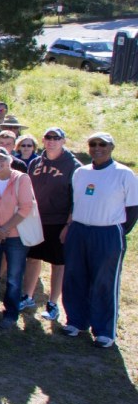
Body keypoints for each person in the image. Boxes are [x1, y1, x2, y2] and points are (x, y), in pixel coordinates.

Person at [60, 132, 138, 348]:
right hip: (79, 230)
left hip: (106, 233)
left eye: (102, 144)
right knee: (75, 276)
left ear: (111, 147)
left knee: (104, 281)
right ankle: (76, 321)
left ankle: (104, 331)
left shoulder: (124, 174)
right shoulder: (80, 172)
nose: (97, 148)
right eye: (93, 144)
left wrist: (118, 231)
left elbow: (133, 209)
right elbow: (75, 203)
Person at [20, 126, 79, 320]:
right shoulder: (35, 162)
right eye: (48, 137)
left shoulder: (73, 165)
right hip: (36, 219)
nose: (52, 141)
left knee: (58, 263)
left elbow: (76, 200)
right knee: (32, 258)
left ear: (63, 141)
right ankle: (27, 296)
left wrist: (68, 225)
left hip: (59, 221)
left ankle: (53, 304)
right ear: (43, 140)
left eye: (56, 138)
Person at [0, 146, 36, 328]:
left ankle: (11, 314)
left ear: (9, 160)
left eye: (1, 159)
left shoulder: (21, 179)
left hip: (15, 236)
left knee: (14, 276)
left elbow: (26, 207)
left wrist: (4, 229)